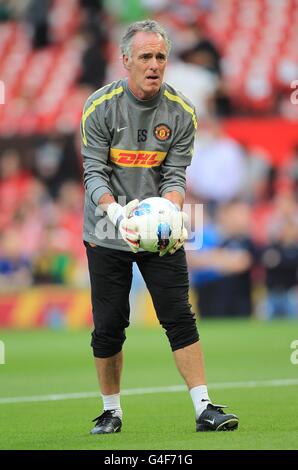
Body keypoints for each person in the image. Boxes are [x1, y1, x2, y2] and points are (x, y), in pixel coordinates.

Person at [80, 19, 239, 434]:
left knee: (179, 316)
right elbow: (94, 172)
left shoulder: (182, 112)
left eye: (161, 57)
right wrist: (117, 214)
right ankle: (111, 410)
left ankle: (205, 407)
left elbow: (175, 175)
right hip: (107, 229)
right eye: (146, 56)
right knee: (110, 324)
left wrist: (170, 210)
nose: (154, 64)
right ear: (126, 60)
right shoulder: (99, 107)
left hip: (160, 233)